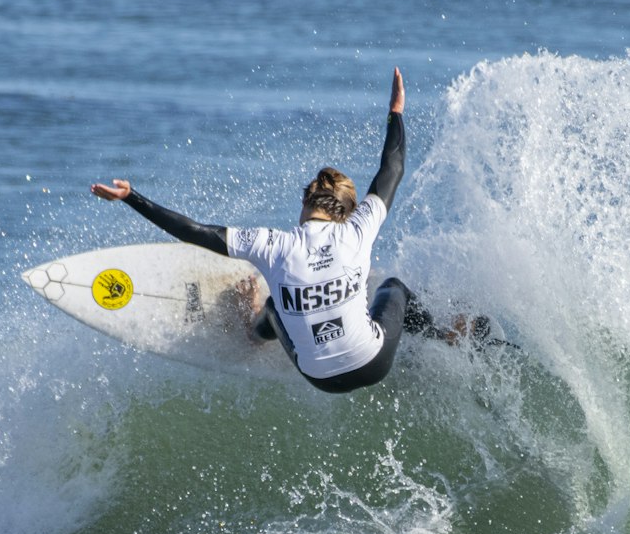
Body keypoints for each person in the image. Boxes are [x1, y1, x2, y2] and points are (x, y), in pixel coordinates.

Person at [91, 68, 455, 394]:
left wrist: (131, 197)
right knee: (394, 289)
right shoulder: (358, 231)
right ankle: (443, 335)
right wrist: (396, 113)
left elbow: (195, 232)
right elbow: (392, 169)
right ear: (346, 213)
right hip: (373, 363)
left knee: (272, 307)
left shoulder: (273, 245)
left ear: (305, 203)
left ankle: (252, 332)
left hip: (318, 377)